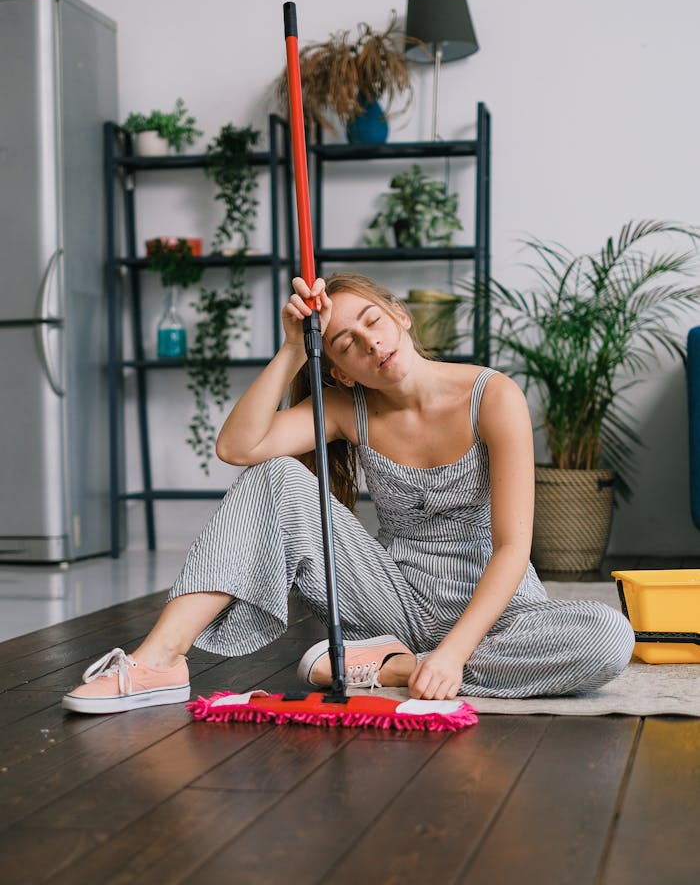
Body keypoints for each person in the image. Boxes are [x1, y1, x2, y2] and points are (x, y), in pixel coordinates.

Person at [63, 272, 635, 714]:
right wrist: (292, 348)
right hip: (393, 600)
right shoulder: (345, 408)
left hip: (502, 616)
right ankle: (159, 660)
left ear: (401, 317)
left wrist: (457, 653)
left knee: (609, 637)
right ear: (338, 370)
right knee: (277, 476)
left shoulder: (493, 395)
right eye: (345, 343)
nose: (369, 342)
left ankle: (387, 668)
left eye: (372, 321)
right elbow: (239, 448)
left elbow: (513, 547)